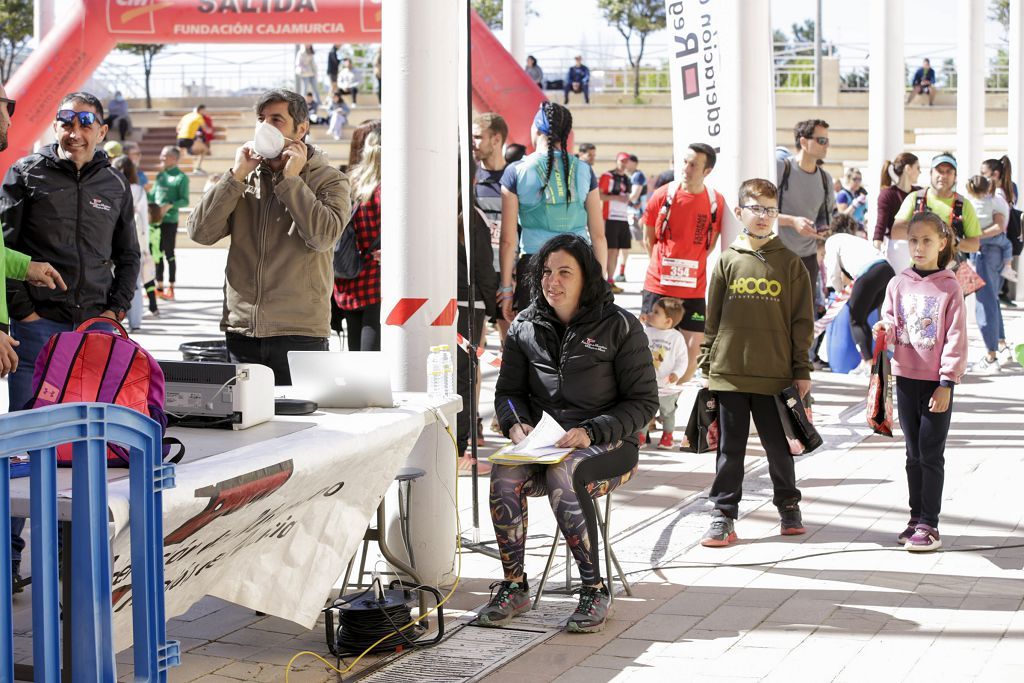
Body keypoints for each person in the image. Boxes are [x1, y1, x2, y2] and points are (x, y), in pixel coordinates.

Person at [481, 233, 658, 633]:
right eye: (546, 272)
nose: (552, 281)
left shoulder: (620, 326)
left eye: (564, 272)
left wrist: (590, 431)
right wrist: (515, 424)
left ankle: (594, 590)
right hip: (544, 444)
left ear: (586, 279)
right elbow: (508, 393)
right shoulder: (524, 325)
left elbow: (643, 404)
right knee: (503, 473)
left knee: (568, 473)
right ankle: (514, 585)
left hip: (610, 446)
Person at [2, 90, 138, 588]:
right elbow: (4, 250)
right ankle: (9, 560)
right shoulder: (26, 174)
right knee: (24, 446)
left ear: (102, 130)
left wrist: (115, 310)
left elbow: (129, 255)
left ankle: (69, 561)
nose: (74, 133)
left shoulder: (114, 183)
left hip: (92, 339)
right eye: (65, 122)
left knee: (85, 448)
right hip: (40, 333)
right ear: (55, 127)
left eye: (85, 123)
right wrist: (26, 313)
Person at [188, 89, 351, 384]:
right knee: (245, 424)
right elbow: (200, 232)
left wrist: (291, 180)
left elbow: (323, 237)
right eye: (261, 119)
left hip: (300, 332)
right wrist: (234, 177)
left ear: (301, 129)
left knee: (304, 428)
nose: (265, 127)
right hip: (243, 331)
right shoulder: (244, 177)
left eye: (276, 119)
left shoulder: (329, 179)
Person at [698, 178, 814, 547]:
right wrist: (706, 367)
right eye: (755, 208)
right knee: (729, 450)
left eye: (769, 209)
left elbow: (802, 323)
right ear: (739, 212)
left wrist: (801, 370)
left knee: (778, 447)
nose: (763, 216)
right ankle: (723, 515)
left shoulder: (792, 264)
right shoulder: (726, 261)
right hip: (729, 373)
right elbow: (712, 319)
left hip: (774, 375)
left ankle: (789, 507)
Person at [873, 211, 967, 551]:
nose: (919, 247)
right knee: (913, 453)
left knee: (931, 452)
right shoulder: (898, 282)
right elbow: (892, 321)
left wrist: (947, 383)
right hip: (905, 377)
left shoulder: (949, 287)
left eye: (927, 240)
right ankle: (916, 518)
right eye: (913, 240)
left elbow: (956, 337)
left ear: (942, 243)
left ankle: (931, 523)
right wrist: (884, 330)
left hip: (936, 383)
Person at [498, 102, 607, 323]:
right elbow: (598, 236)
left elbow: (508, 240)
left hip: (535, 265)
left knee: (534, 345)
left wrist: (507, 288)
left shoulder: (516, 171)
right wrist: (599, 281)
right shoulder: (585, 170)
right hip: (578, 264)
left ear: (536, 129)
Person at [641, 142, 726, 385]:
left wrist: (689, 260)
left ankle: (670, 401)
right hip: (659, 286)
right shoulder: (663, 195)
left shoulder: (715, 202)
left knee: (693, 350)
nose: (686, 168)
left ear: (706, 171)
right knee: (648, 349)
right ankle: (649, 403)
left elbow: (710, 244)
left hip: (693, 289)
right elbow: (649, 238)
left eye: (693, 165)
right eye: (685, 162)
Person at [456, 156, 497, 471]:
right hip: (469, 304)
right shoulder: (472, 218)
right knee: (464, 377)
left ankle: (456, 447)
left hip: (443, 302)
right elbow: (484, 267)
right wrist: (495, 308)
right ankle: (460, 450)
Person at [776, 119, 836, 315]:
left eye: (827, 140)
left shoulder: (825, 179)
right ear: (803, 142)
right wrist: (792, 221)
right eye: (821, 140)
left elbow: (823, 218)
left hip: (808, 260)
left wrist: (823, 231)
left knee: (802, 319)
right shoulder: (780, 169)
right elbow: (758, 211)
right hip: (777, 255)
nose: (826, 145)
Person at [823, 213, 895, 374]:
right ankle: (871, 361)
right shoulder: (857, 240)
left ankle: (868, 362)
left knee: (856, 319)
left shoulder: (833, 240)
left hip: (870, 272)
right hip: (888, 271)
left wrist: (840, 292)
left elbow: (833, 273)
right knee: (864, 317)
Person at [333, 120, 382, 351]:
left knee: (356, 358)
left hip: (349, 279)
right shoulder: (388, 190)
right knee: (372, 358)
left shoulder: (350, 183)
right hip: (376, 281)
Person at [891, 152, 981, 257]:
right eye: (939, 171)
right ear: (931, 173)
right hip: (919, 269)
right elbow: (896, 231)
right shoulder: (915, 198)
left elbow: (975, 245)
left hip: (951, 270)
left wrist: (955, 242)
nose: (943, 176)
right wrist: (930, 234)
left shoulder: (964, 205)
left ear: (955, 176)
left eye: (948, 172)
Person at [964, 175, 1011, 374]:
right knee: (992, 301)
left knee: (985, 304)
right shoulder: (994, 202)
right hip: (994, 252)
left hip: (984, 253)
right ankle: (1000, 344)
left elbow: (997, 225)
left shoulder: (973, 205)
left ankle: (991, 356)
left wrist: (975, 237)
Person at [112, 155, 157, 332]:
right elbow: (144, 220)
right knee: (134, 281)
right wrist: (145, 247)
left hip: (110, 238)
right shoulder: (138, 190)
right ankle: (135, 321)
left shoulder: (109, 185)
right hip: (134, 238)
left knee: (111, 280)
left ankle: (114, 320)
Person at [641, 297, 687, 449]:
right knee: (645, 411)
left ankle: (668, 435)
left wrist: (677, 373)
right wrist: (640, 322)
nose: (650, 314)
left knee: (668, 412)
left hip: (667, 385)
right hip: (648, 383)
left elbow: (682, 360)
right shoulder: (647, 331)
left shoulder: (676, 338)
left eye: (656, 312)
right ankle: (640, 436)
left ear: (668, 321)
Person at [150, 146, 190, 300]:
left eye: (164, 156)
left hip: (170, 221)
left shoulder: (181, 177)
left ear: (174, 158)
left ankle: (171, 287)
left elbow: (185, 200)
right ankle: (159, 287)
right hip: (155, 221)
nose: (161, 158)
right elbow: (153, 195)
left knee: (169, 253)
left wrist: (170, 205)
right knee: (157, 253)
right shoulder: (161, 175)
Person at [981, 156, 1020, 309]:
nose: (981, 176)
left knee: (988, 296)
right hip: (1004, 238)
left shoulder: (994, 194)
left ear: (995, 174)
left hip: (991, 240)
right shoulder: (1010, 188)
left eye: (984, 173)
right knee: (993, 295)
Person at [872, 152, 921, 270]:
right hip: (897, 250)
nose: (920, 172)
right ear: (908, 169)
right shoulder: (887, 194)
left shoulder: (920, 193)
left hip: (919, 248)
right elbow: (880, 227)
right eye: (918, 168)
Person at [599, 153, 633, 293]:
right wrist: (617, 197)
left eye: (626, 162)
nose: (624, 164)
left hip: (623, 218)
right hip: (610, 217)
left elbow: (627, 196)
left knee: (617, 251)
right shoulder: (607, 176)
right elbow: (599, 195)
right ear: (617, 161)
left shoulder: (626, 178)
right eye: (621, 161)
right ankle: (602, 281)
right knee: (608, 250)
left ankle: (611, 280)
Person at [176, 104, 209, 175]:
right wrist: (210, 131)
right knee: (204, 149)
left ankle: (175, 169)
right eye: (204, 111)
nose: (205, 112)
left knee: (180, 155)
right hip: (189, 138)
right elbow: (205, 128)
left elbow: (178, 128)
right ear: (200, 110)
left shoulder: (186, 116)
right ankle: (197, 168)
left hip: (180, 138)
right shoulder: (199, 116)